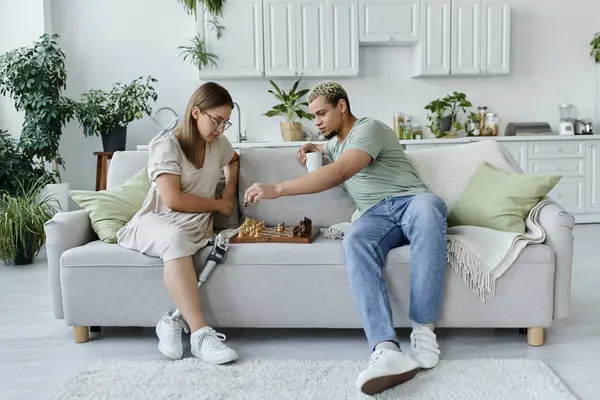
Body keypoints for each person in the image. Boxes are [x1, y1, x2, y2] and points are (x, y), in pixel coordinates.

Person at [243, 81, 448, 395]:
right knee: (354, 240)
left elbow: (339, 172)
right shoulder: (336, 144)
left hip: (411, 201)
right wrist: (317, 147)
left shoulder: (371, 129)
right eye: (314, 116)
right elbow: (332, 149)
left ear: (342, 106)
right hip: (376, 215)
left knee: (429, 209)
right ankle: (385, 349)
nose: (318, 121)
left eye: (322, 113)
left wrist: (277, 189)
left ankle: (423, 330)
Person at [116, 82, 240, 365]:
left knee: (178, 238)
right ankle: (199, 334)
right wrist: (218, 205)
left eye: (226, 122)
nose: (221, 129)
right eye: (216, 120)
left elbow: (233, 159)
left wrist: (229, 192)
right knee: (174, 238)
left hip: (193, 226)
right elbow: (172, 200)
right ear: (196, 112)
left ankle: (170, 322)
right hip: (157, 221)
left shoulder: (218, 144)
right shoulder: (165, 145)